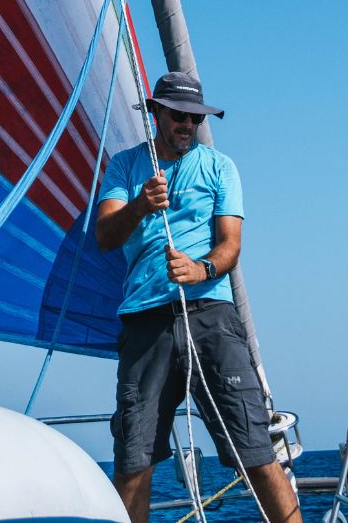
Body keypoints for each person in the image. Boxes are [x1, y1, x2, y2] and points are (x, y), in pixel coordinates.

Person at [95, 72, 301, 522]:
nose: (188, 124)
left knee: (256, 451)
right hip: (145, 323)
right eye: (179, 115)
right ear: (157, 114)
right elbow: (105, 236)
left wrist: (200, 268)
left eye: (195, 117)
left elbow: (231, 244)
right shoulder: (125, 167)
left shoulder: (220, 166)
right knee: (134, 459)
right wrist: (139, 206)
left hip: (211, 316)